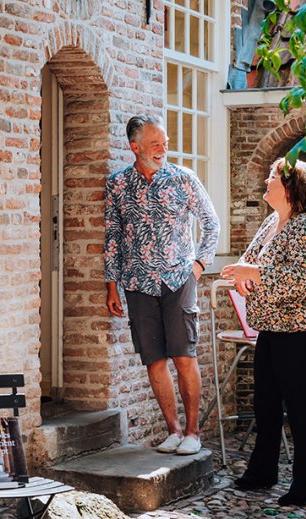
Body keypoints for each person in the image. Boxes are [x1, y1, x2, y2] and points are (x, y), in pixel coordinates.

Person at [221, 157, 306, 506]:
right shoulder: (273, 221)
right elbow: (251, 261)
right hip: (273, 323)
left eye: (273, 177)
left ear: (289, 187)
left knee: (299, 402)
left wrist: (251, 275)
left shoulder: (305, 228)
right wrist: (244, 277)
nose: (267, 181)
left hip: (304, 324)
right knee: (266, 399)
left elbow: (297, 279)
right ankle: (263, 471)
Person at [104, 115, 220, 455]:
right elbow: (112, 237)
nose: (162, 149)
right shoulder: (118, 186)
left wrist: (198, 266)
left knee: (184, 356)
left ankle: (193, 432)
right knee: (154, 359)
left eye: (165, 143)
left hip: (177, 279)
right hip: (137, 283)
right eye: (155, 144)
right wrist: (112, 285)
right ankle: (172, 430)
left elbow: (211, 224)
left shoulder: (183, 180)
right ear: (135, 147)